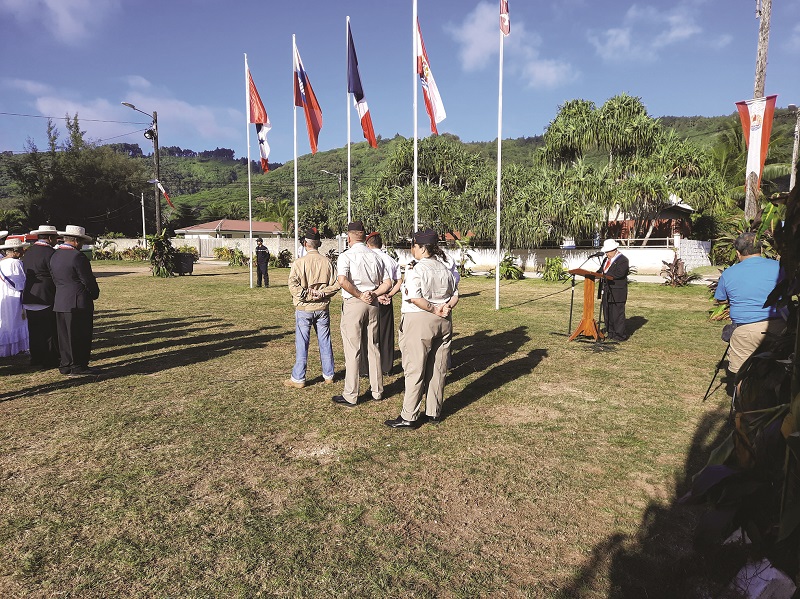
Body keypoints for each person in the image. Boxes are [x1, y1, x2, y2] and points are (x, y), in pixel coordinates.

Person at [385, 229, 459, 429]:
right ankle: (434, 411)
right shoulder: (445, 268)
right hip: (444, 320)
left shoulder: (416, 269)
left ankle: (409, 415)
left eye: (414, 246)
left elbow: (415, 298)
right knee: (438, 368)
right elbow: (455, 294)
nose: (412, 250)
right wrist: (445, 308)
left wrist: (434, 308)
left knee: (414, 368)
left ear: (421, 247)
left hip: (419, 320)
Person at [332, 220, 391, 407]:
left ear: (349, 237)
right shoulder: (376, 257)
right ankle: (377, 390)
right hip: (373, 302)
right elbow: (387, 283)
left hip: (354, 302)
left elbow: (342, 280)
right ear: (365, 236)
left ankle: (351, 393)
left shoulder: (346, 256)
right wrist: (374, 293)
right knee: (373, 346)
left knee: (353, 348)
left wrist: (359, 294)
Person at [714, 232, 784, 376]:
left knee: (742, 375)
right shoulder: (780, 267)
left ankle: (742, 396)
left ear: (738, 253)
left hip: (746, 331)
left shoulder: (729, 273)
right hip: (780, 328)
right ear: (761, 250)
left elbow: (720, 299)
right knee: (779, 371)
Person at [285, 227, 340, 389]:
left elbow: (292, 285)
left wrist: (307, 295)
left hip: (304, 308)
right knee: (325, 341)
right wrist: (322, 293)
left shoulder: (299, 263)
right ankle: (329, 374)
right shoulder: (328, 263)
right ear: (319, 244)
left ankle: (299, 378)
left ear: (305, 244)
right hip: (322, 307)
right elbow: (337, 283)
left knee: (302, 342)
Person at [49, 225, 100, 376]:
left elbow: (54, 277)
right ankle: (78, 366)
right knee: (80, 335)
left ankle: (66, 364)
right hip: (78, 301)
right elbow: (87, 280)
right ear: (76, 241)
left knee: (64, 336)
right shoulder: (78, 257)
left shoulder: (55, 255)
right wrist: (94, 293)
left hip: (61, 300)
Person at [361, 232, 400, 375]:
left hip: (370, 298)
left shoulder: (367, 258)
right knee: (386, 333)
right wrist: (389, 294)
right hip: (386, 299)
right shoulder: (390, 259)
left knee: (368, 333)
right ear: (381, 244)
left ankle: (365, 367)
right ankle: (386, 366)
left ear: (368, 244)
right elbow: (399, 281)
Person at [22, 225, 61, 368]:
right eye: (56, 238)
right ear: (50, 238)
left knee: (34, 329)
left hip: (30, 294)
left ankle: (36, 357)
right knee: (49, 329)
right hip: (46, 294)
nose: (57, 240)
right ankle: (49, 358)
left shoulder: (29, 252)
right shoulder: (51, 253)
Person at [0, 237, 30, 357]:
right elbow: (21, 283)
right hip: (15, 296)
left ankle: (6, 348)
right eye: (21, 250)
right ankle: (19, 348)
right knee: (16, 320)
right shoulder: (16, 263)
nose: (23, 252)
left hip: (4, 294)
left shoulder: (1, 262)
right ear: (15, 251)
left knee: (6, 320)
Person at [597, 238, 629, 342]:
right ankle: (611, 332)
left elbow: (620, 274)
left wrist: (605, 275)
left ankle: (619, 335)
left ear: (614, 250)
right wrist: (596, 274)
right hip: (607, 290)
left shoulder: (623, 260)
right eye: (605, 252)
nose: (606, 254)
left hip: (617, 291)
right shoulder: (606, 260)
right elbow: (601, 270)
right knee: (607, 312)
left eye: (607, 252)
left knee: (617, 313)